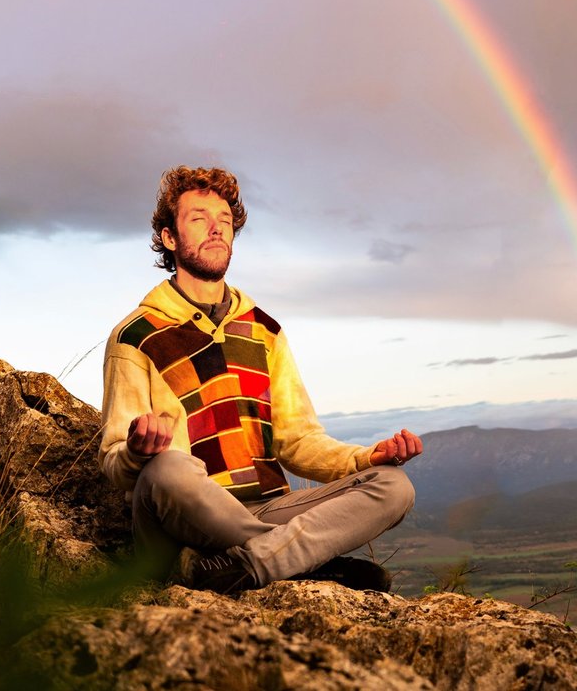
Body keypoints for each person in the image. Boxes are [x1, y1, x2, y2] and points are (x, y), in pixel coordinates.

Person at [99, 165, 422, 594]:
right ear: (169, 238)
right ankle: (301, 562)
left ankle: (243, 565)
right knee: (168, 468)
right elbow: (114, 460)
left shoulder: (264, 331)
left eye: (225, 222)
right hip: (181, 516)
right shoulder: (135, 336)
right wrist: (139, 451)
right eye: (199, 219)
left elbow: (298, 440)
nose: (216, 230)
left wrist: (367, 458)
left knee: (395, 487)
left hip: (267, 509)